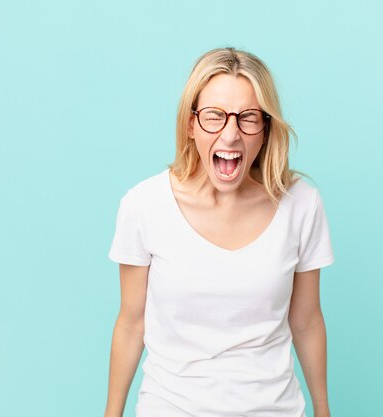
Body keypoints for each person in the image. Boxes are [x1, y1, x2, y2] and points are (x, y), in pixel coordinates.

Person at [103, 47, 335, 417]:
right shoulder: (144, 205)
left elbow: (307, 321)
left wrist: (323, 411)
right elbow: (131, 323)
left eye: (248, 118)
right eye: (214, 116)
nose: (230, 134)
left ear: (265, 129)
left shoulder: (302, 204)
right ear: (191, 125)